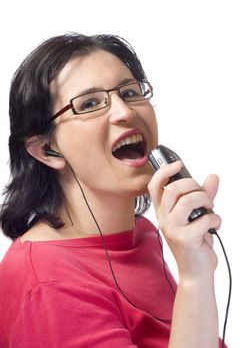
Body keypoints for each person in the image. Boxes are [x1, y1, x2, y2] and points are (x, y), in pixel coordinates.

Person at [0, 32, 226, 347]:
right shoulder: (48, 284)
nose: (124, 111)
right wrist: (194, 278)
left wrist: (196, 268)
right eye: (90, 103)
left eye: (130, 91)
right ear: (48, 150)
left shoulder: (141, 233)